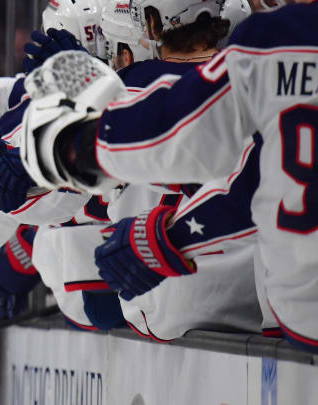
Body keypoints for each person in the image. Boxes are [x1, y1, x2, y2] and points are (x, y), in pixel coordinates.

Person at [21, 0, 318, 352]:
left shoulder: (275, 38)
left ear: (149, 25)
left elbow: (198, 138)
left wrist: (83, 141)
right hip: (266, 318)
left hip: (285, 320)